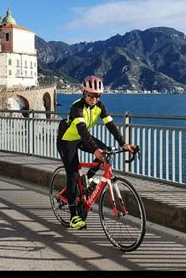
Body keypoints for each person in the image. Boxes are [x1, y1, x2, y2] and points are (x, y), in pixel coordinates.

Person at [56, 75, 137, 229]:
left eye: (97, 95)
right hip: (67, 139)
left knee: (105, 152)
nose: (94, 98)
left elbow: (111, 126)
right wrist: (95, 150)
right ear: (84, 93)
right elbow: (83, 132)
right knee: (72, 174)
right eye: (90, 95)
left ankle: (86, 181)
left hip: (82, 137)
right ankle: (74, 217)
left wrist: (124, 143)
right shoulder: (77, 108)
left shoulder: (100, 106)